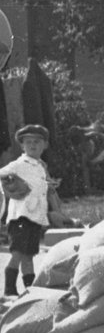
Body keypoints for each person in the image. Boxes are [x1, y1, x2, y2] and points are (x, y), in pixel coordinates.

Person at [0, 125, 54, 296]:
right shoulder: (20, 164)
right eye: (28, 142)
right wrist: (10, 184)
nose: (32, 145)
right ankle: (9, 289)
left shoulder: (40, 166)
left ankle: (30, 291)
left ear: (44, 145)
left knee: (29, 256)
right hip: (20, 217)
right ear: (22, 146)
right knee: (17, 253)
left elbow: (41, 187)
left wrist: (49, 185)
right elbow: (2, 173)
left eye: (37, 142)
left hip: (35, 217)